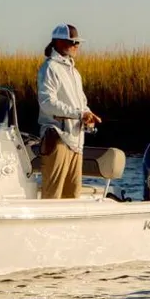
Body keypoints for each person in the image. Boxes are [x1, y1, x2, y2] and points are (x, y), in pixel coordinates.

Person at [36, 23, 102, 199]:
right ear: (58, 42)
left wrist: (88, 115)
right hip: (57, 139)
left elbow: (81, 103)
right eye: (72, 42)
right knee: (52, 197)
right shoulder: (50, 68)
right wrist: (79, 114)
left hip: (76, 143)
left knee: (73, 198)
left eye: (77, 42)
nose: (76, 45)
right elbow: (47, 103)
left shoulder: (74, 72)